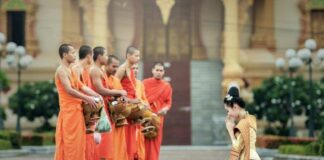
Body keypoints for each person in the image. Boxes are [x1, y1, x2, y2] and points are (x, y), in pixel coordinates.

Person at [54, 43, 100, 160]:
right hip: (69, 112)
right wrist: (86, 98)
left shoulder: (71, 70)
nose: (75, 55)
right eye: (73, 53)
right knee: (71, 143)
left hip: (77, 110)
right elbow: (69, 90)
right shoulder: (61, 71)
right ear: (65, 55)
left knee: (79, 143)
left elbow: (82, 86)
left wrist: (97, 96)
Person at [89, 46, 126, 160]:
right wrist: (119, 92)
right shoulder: (95, 69)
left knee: (105, 142)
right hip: (97, 108)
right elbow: (100, 90)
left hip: (103, 107)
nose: (106, 57)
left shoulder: (100, 70)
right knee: (101, 142)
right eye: (105, 55)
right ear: (100, 57)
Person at [72, 45, 98, 160]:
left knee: (89, 138)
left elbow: (85, 87)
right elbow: (76, 89)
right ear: (88, 56)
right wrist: (88, 99)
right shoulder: (76, 69)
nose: (92, 58)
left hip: (88, 107)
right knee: (81, 140)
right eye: (92, 55)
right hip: (79, 108)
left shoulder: (86, 70)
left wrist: (96, 97)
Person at [115, 46, 141, 160]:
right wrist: (129, 100)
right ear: (128, 56)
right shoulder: (122, 69)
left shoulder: (130, 70)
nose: (138, 58)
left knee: (131, 139)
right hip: (125, 108)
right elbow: (114, 87)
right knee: (125, 139)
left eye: (139, 56)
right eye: (136, 55)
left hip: (132, 109)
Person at [143, 63, 172, 160]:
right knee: (143, 138)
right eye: (157, 70)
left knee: (155, 140)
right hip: (145, 115)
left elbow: (168, 102)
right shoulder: (145, 83)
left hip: (158, 117)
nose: (159, 72)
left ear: (164, 72)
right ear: (152, 71)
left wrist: (165, 109)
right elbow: (141, 97)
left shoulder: (166, 86)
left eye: (161, 71)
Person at [224, 84, 261, 160]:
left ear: (235, 107)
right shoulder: (251, 118)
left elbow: (236, 149)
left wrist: (230, 131)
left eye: (228, 111)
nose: (228, 114)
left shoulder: (244, 123)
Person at [105, 54, 129, 160]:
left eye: (117, 67)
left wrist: (122, 99)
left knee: (118, 144)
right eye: (113, 66)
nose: (115, 69)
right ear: (106, 65)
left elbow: (122, 96)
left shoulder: (115, 80)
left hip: (116, 116)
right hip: (105, 115)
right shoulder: (102, 78)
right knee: (106, 144)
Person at [131, 63, 149, 160]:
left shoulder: (139, 83)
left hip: (139, 116)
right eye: (133, 68)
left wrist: (145, 105)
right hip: (130, 117)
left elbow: (144, 98)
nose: (136, 70)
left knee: (139, 143)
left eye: (137, 68)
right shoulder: (123, 82)